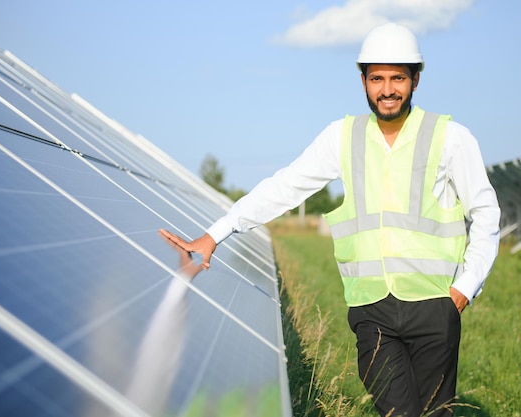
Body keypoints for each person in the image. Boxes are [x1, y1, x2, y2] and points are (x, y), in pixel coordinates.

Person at [160, 22, 500, 417]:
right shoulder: (342, 137)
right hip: (371, 312)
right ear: (363, 81)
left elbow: (485, 213)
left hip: (435, 308)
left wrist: (464, 289)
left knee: (433, 414)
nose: (387, 89)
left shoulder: (451, 137)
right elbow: (283, 187)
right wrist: (216, 234)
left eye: (397, 78)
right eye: (377, 78)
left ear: (416, 80)